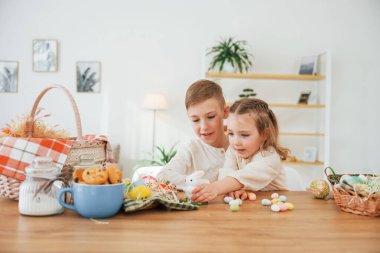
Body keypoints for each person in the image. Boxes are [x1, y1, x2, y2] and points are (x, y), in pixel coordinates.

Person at [191, 98, 289, 203]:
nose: (235, 142)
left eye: (244, 135)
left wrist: (215, 188)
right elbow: (227, 171)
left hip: (274, 205)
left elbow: (245, 176)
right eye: (231, 134)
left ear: (264, 134)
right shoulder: (234, 150)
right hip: (251, 206)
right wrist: (232, 190)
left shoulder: (269, 157)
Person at [157, 79, 229, 188]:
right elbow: (162, 176)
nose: (204, 127)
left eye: (210, 117)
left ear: (225, 112)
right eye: (195, 120)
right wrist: (191, 181)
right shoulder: (191, 149)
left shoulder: (239, 145)